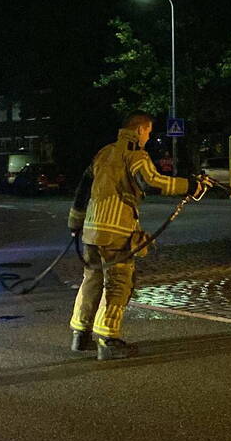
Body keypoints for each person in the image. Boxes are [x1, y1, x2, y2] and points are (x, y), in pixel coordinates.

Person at [67, 111, 213, 359]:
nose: (148, 136)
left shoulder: (104, 152)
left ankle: (80, 335)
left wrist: (75, 221)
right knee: (118, 283)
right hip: (116, 232)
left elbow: (83, 189)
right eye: (148, 132)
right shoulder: (135, 153)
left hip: (91, 231)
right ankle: (108, 341)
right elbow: (151, 182)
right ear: (139, 130)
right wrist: (189, 185)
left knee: (91, 279)